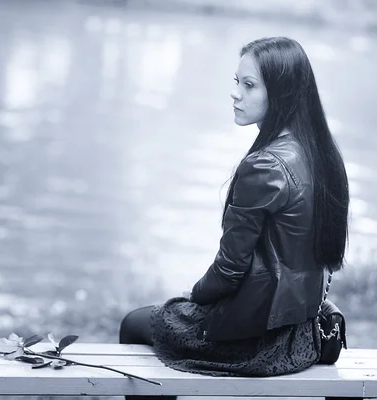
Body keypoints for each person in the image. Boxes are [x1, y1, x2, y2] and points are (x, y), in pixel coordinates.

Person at [118, 36, 350, 397]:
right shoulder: (319, 153)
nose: (235, 93)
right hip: (303, 330)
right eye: (236, 81)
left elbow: (228, 272)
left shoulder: (265, 166)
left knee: (134, 324)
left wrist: (192, 296)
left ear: (282, 93)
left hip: (261, 341)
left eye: (249, 85)